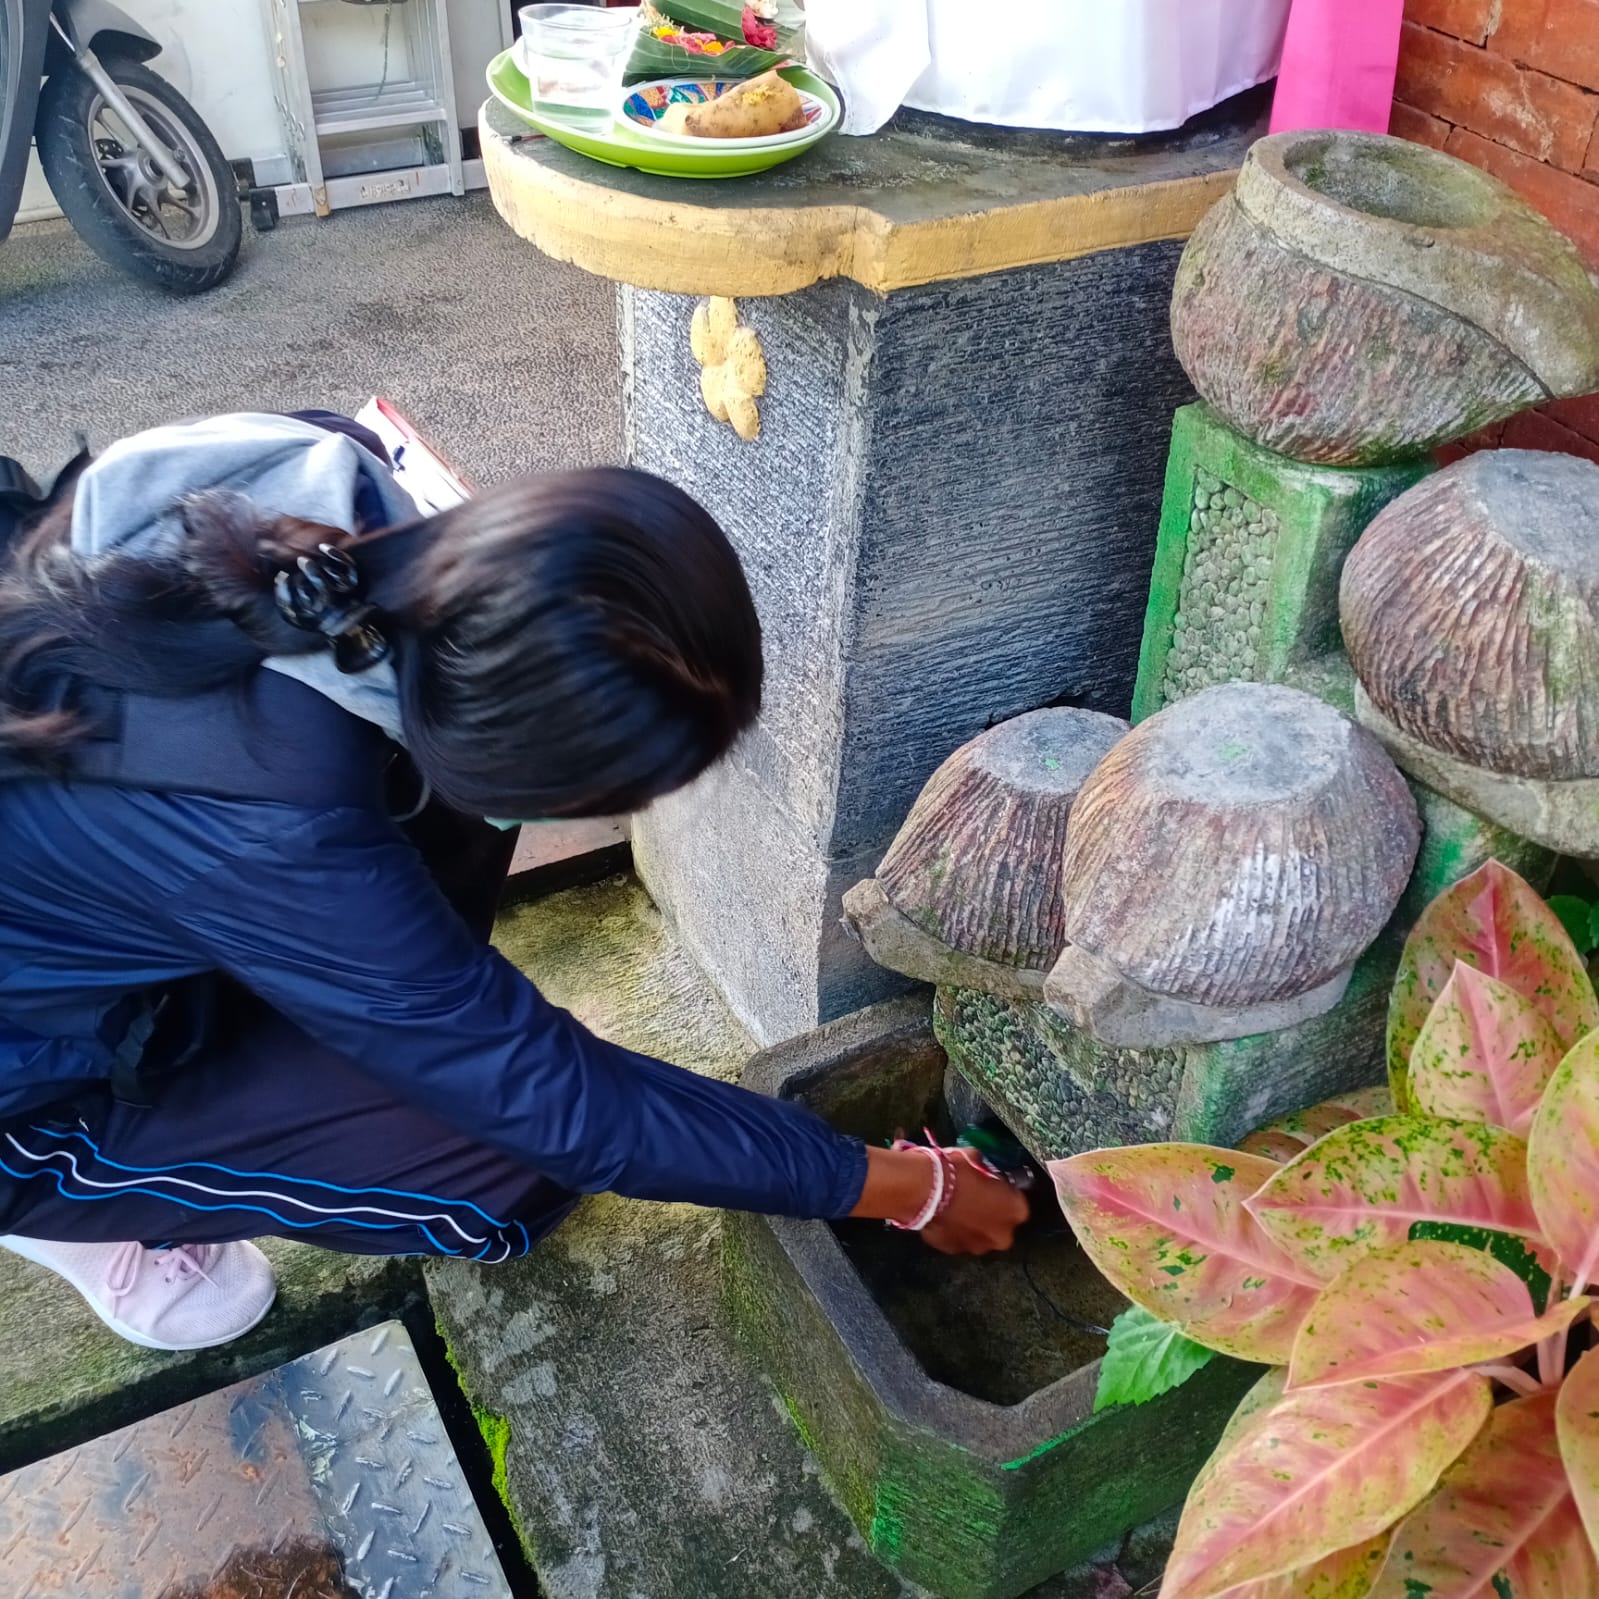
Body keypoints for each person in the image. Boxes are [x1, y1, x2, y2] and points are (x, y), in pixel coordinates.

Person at [0, 411, 1027, 1353]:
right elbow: (566, 1110)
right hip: (32, 1083)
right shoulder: (278, 816)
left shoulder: (331, 499)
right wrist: (904, 1187)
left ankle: (344, 1020)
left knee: (439, 882)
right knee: (515, 1178)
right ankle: (76, 1208)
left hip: (105, 901)